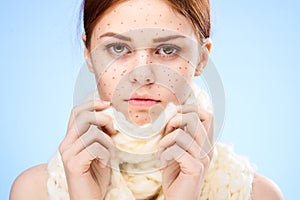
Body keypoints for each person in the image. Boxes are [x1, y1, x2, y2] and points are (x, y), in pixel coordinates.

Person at [10, 0, 284, 199]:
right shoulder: (33, 192)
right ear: (88, 53)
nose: (142, 75)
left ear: (202, 57)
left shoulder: (259, 195)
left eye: (167, 49)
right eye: (118, 48)